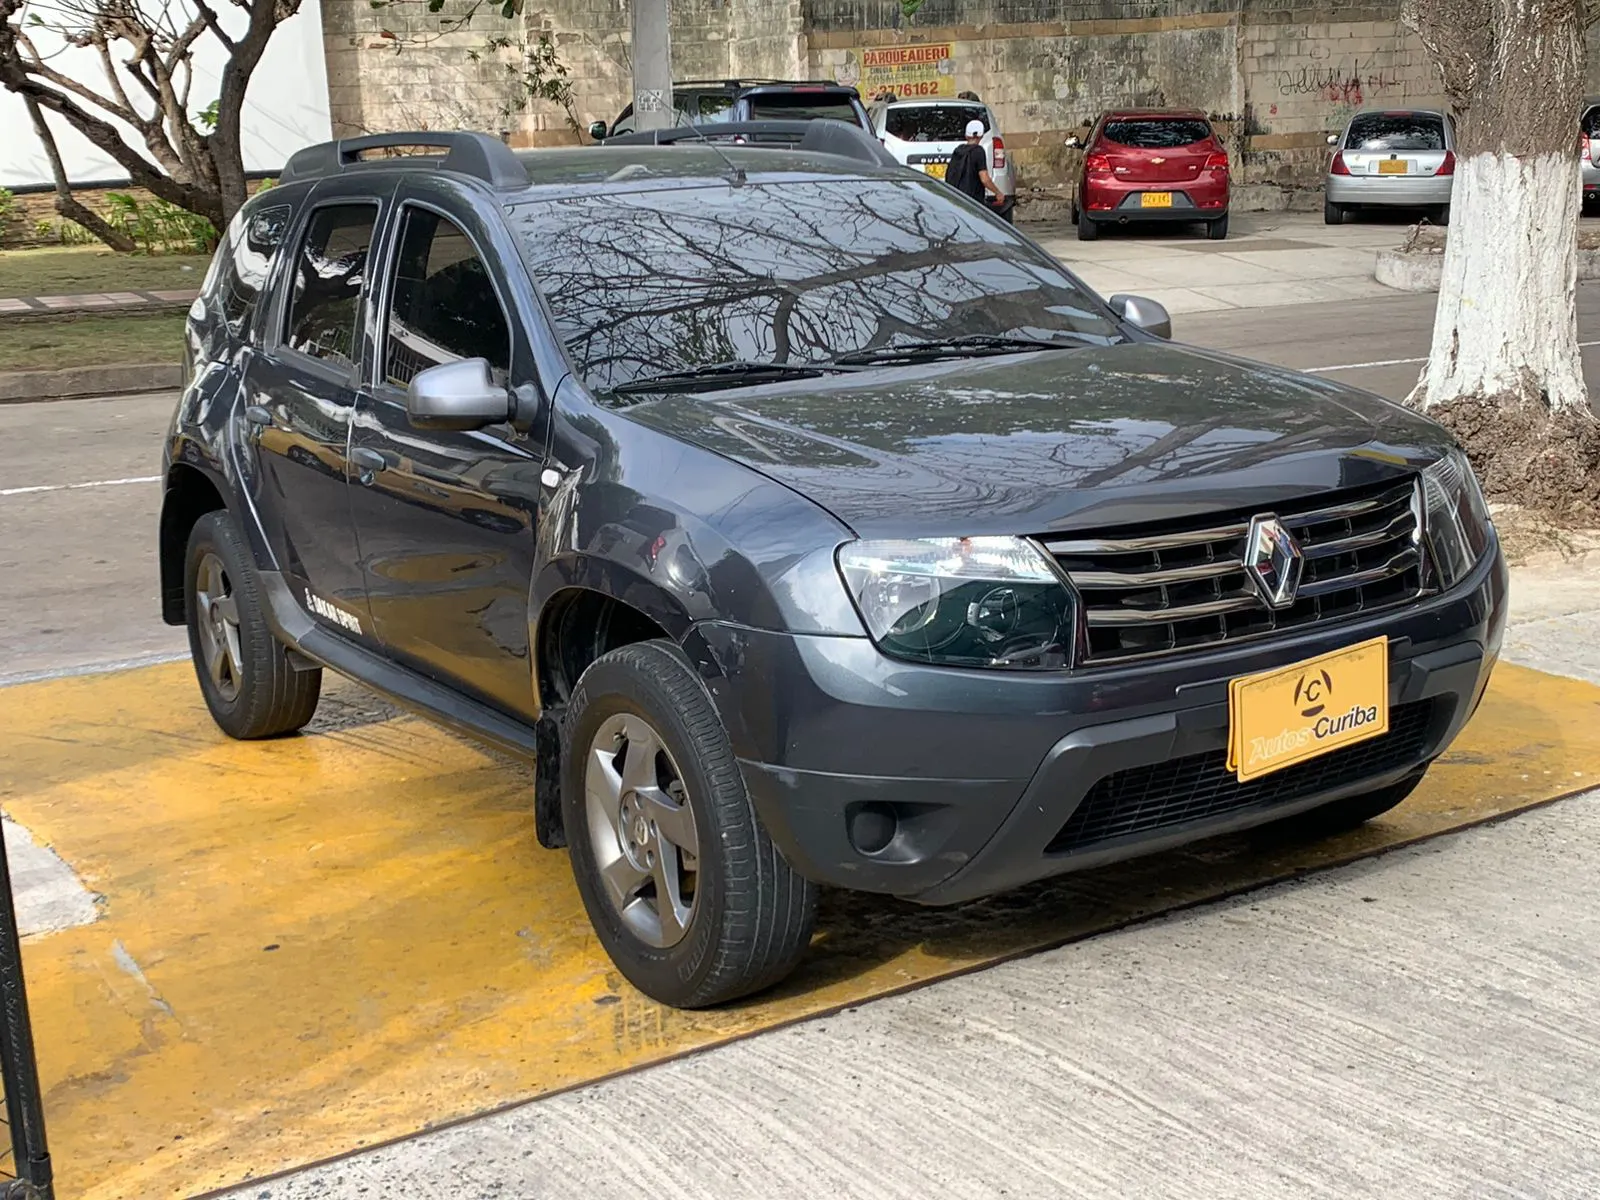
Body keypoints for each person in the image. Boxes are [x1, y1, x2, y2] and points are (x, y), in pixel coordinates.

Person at [946, 118, 1004, 207]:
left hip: (958, 198)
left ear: (966, 135)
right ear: (981, 135)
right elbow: (984, 178)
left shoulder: (958, 150)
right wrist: (998, 193)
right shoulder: (978, 151)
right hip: (973, 200)